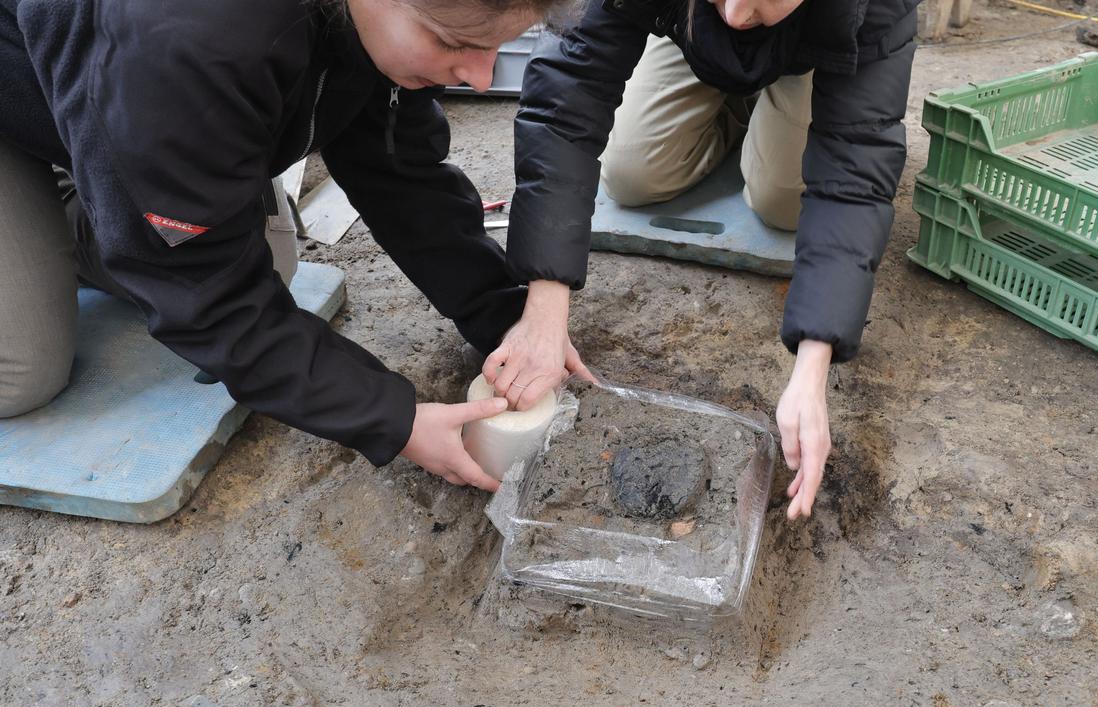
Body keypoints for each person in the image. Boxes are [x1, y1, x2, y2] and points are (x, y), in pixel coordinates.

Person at [0, 0, 566, 491]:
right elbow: (205, 296)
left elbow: (398, 170)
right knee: (24, 373)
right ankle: (97, 188)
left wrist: (503, 314)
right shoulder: (193, 40)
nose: (481, 78)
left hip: (132, 96)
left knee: (270, 262)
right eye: (453, 44)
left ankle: (113, 176)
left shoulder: (383, 19)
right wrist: (393, 418)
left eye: (497, 47)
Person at [490, 0, 919, 518]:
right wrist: (543, 309)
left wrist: (812, 367)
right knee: (632, 174)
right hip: (688, 30)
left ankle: (775, 108)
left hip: (814, 55)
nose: (738, 13)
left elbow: (855, 164)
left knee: (783, 201)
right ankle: (733, 108)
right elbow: (567, 96)